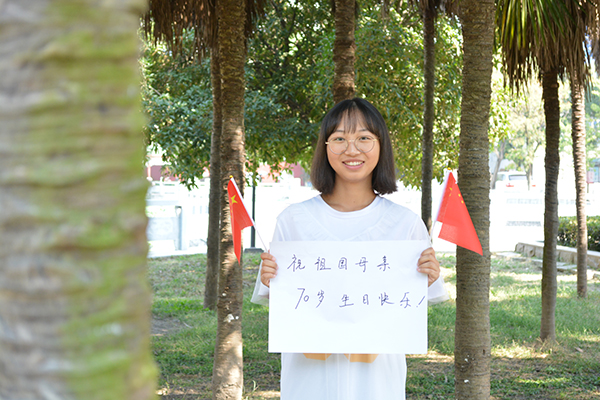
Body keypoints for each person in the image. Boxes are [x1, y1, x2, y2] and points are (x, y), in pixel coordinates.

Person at [251, 97, 449, 400]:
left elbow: (414, 306)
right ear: (325, 147)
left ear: (381, 146)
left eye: (364, 138)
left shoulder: (405, 224)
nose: (352, 149)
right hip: (308, 383)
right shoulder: (293, 221)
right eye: (340, 138)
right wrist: (271, 280)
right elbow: (280, 302)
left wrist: (427, 278)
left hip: (377, 385)